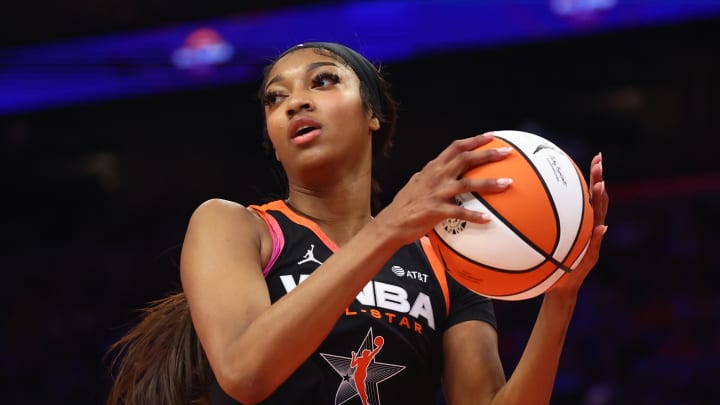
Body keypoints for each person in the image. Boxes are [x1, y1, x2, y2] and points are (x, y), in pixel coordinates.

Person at [105, 41, 609, 405]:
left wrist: (560, 297)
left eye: (323, 81)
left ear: (373, 114)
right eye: (275, 99)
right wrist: (389, 229)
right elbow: (244, 372)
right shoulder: (234, 226)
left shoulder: (445, 258)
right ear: (274, 143)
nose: (295, 102)